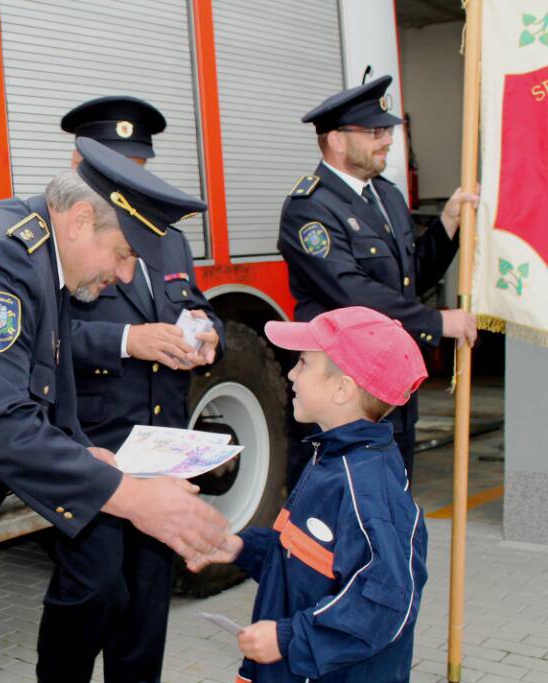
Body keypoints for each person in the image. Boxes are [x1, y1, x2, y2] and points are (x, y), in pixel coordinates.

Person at [0, 136, 228, 682]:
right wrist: (134, 500)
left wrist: (92, 457)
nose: (126, 276)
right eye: (124, 254)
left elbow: (46, 398)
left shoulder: (40, 259)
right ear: (81, 219)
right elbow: (0, 425)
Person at [62, 95, 225, 683]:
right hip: (97, 448)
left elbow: (199, 309)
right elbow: (43, 345)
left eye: (139, 166)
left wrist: (207, 334)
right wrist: (127, 340)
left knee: (148, 601)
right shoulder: (62, 240)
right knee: (91, 593)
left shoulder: (166, 238)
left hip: (164, 449)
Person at [205, 306, 429, 682]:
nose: (290, 374)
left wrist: (291, 638)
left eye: (304, 364)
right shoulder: (330, 459)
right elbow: (309, 565)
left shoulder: (368, 488)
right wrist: (243, 549)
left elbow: (386, 604)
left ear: (343, 389)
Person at [279, 74, 479, 486]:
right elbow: (352, 293)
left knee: (390, 503)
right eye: (374, 131)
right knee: (335, 516)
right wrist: (437, 322)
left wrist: (447, 225)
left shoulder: (385, 195)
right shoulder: (309, 209)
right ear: (336, 140)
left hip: (390, 390)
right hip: (340, 395)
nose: (386, 140)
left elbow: (410, 278)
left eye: (386, 130)